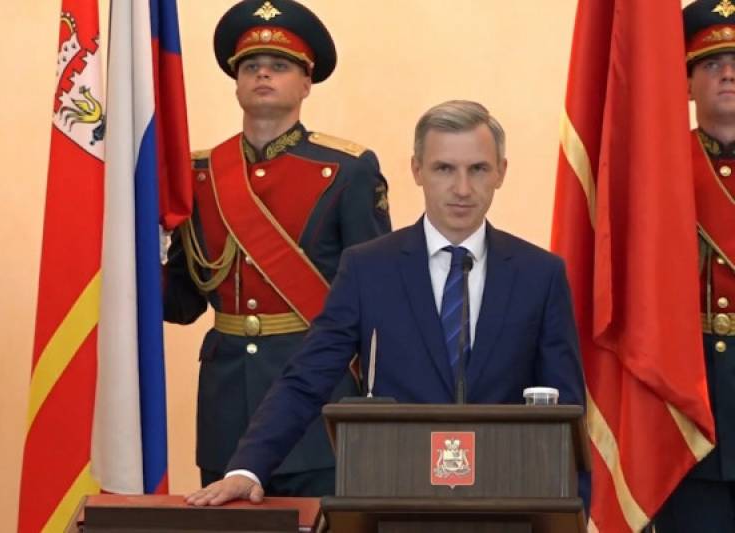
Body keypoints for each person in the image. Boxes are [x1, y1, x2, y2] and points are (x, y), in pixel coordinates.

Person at [185, 100, 587, 506]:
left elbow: (567, 408)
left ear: (501, 171)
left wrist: (574, 510)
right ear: (417, 170)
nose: (463, 188)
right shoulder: (368, 268)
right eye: (444, 169)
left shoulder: (541, 275)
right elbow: (307, 377)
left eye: (478, 169)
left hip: (506, 502)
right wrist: (248, 469)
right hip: (396, 496)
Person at [163, 0, 392, 497]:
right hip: (226, 404)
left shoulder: (348, 170)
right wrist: (130, 255)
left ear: (307, 82)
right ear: (236, 82)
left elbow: (377, 298)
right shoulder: (199, 176)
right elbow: (181, 303)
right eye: (251, 66)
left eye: (279, 65)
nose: (263, 73)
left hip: (317, 402)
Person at [653, 2, 735, 530]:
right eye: (711, 63)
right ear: (685, 84)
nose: (727, 74)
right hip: (689, 410)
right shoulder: (659, 170)